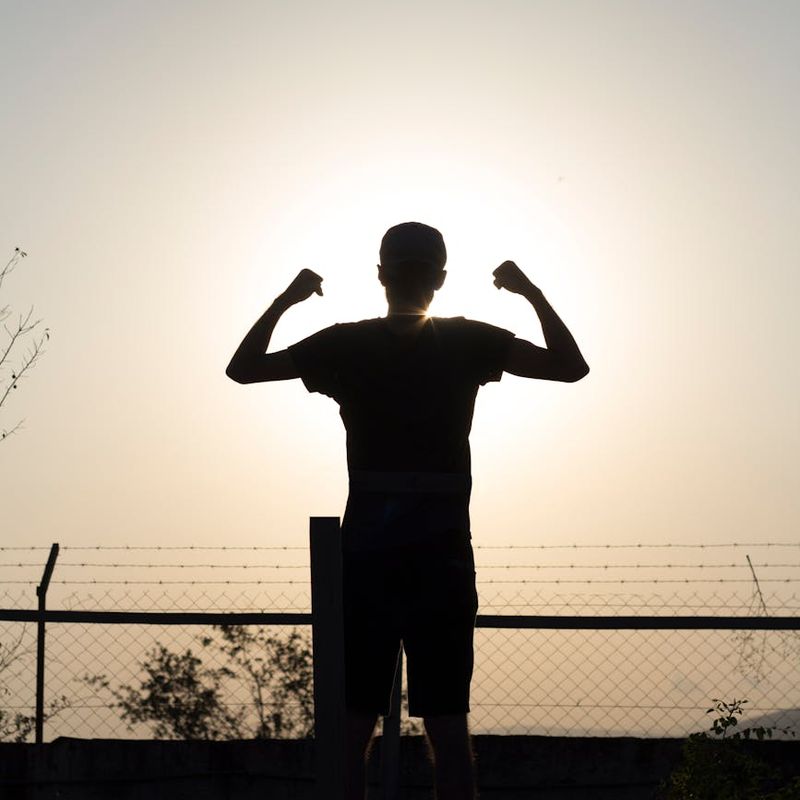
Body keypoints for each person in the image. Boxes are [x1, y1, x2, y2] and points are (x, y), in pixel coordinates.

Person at [226, 222, 589, 800]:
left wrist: (287, 300)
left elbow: (243, 368)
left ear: (380, 275)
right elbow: (571, 366)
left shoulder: (346, 343)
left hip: (367, 554)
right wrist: (529, 292)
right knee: (446, 726)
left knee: (352, 726)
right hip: (440, 554)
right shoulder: (468, 340)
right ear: (441, 280)